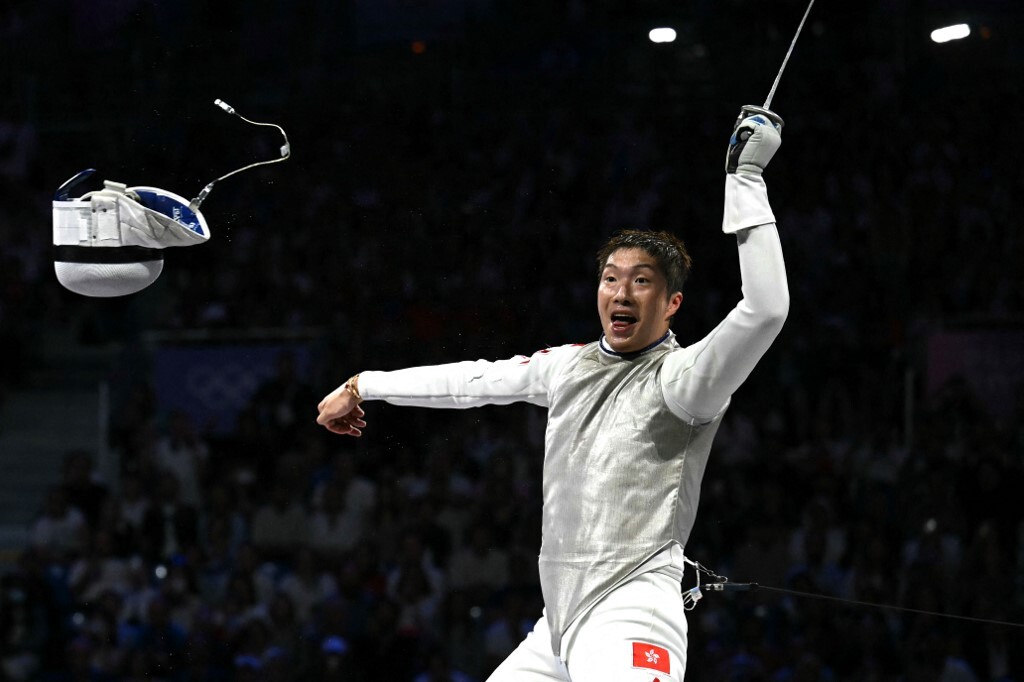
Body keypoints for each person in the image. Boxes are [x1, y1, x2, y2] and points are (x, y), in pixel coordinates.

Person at [316, 109, 789, 681]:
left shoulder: (687, 380)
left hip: (630, 616)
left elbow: (765, 309)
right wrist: (365, 385)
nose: (622, 292)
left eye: (642, 281)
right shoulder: (566, 367)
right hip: (558, 626)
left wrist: (745, 180)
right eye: (611, 277)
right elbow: (472, 382)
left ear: (671, 304)